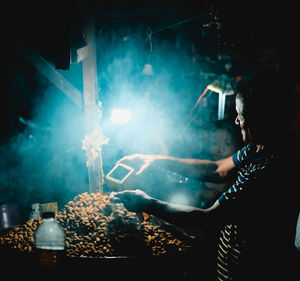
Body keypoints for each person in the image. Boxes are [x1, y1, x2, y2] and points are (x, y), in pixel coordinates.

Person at [112, 70, 300, 281]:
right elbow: (217, 169)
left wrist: (148, 204)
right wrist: (157, 160)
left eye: (241, 115)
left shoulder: (268, 173)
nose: (237, 122)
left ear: (262, 119)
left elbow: (208, 218)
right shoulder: (260, 147)